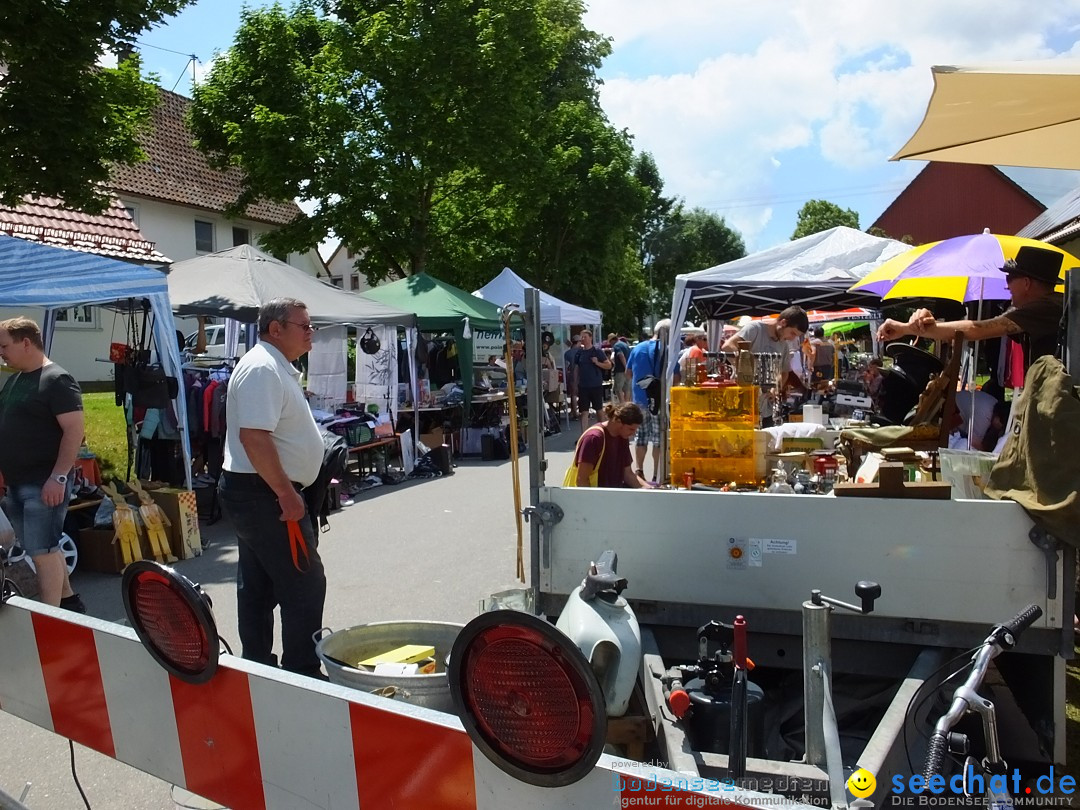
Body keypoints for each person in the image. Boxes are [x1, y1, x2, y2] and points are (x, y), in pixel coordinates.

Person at [219, 298, 327, 679]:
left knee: (260, 584)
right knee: (304, 584)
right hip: (265, 494)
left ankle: (261, 667)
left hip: (258, 492)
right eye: (305, 326)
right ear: (275, 328)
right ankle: (302, 671)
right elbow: (254, 437)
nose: (311, 332)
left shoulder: (272, 366)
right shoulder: (263, 367)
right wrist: (286, 493)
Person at [0, 316, 85, 611]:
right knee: (45, 547)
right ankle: (69, 602)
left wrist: (59, 477)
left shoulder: (56, 379)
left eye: (4, 345)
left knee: (41, 551)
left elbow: (74, 430)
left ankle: (51, 618)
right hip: (17, 480)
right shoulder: (15, 380)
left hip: (44, 480)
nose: (1, 352)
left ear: (26, 343)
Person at [877, 245, 1064, 371]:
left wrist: (906, 328)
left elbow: (976, 329)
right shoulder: (1044, 307)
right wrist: (923, 323)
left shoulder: (1046, 307)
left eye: (1009, 279)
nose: (1007, 287)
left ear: (1026, 283)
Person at [721, 306, 809, 425]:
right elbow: (728, 346)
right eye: (792, 333)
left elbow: (783, 373)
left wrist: (776, 388)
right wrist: (745, 367)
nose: (792, 338)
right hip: (742, 402)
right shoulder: (755, 328)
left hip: (765, 408)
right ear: (783, 323)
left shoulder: (784, 346)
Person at [627, 318, 671, 482]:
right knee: (659, 438)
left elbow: (628, 372)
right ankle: (656, 474)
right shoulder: (668, 350)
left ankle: (639, 470)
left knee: (641, 436)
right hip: (659, 400)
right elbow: (677, 375)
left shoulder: (638, 348)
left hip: (640, 400)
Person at [572, 402, 651, 488]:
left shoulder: (622, 437)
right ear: (618, 421)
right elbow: (582, 480)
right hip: (595, 496)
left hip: (613, 495)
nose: (633, 434)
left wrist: (649, 490)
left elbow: (627, 474)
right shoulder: (593, 438)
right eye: (631, 429)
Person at [574, 329, 611, 432]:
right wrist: (575, 383)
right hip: (583, 386)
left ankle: (603, 431)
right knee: (584, 412)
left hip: (596, 385)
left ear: (590, 338)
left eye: (585, 337)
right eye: (581, 337)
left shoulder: (597, 351)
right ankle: (584, 435)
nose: (582, 339)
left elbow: (608, 365)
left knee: (599, 410)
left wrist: (597, 363)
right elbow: (577, 368)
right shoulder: (579, 353)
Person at [608, 333, 631, 403]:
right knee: (627, 389)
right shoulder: (625, 345)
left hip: (620, 371)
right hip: (628, 370)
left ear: (612, 340)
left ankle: (622, 404)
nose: (610, 344)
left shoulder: (616, 346)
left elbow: (620, 355)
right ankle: (626, 405)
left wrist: (625, 366)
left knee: (618, 389)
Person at [563, 335, 581, 418]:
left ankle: (574, 412)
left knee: (573, 394)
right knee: (581, 393)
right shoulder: (582, 352)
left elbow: (566, 366)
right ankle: (580, 411)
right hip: (581, 375)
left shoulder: (567, 353)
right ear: (578, 342)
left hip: (571, 375)